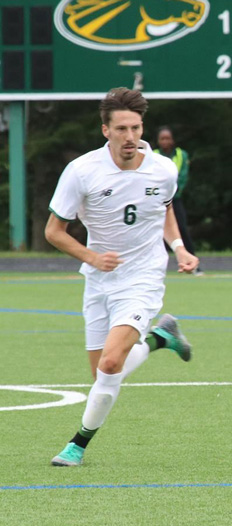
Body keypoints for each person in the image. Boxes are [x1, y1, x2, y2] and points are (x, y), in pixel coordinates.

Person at [45, 87, 200, 467]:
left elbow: (162, 212)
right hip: (98, 280)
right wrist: (91, 257)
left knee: (111, 365)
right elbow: (54, 231)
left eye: (136, 127)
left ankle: (77, 445)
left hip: (143, 276)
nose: (130, 137)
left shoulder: (163, 168)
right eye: (122, 129)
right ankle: (161, 339)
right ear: (105, 130)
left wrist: (179, 247)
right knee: (100, 372)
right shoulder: (82, 171)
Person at [156, 126, 202, 275]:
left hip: (175, 199)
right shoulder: (153, 155)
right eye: (162, 138)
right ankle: (156, 266)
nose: (165, 141)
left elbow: (182, 176)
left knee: (181, 229)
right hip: (156, 200)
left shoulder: (181, 155)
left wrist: (174, 191)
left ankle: (191, 262)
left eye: (167, 138)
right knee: (154, 230)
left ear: (173, 140)